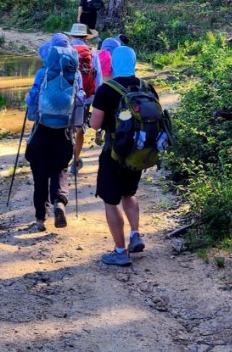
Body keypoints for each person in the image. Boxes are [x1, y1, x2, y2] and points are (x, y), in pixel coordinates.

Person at [90, 45, 155, 266]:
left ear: (114, 64)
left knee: (111, 200)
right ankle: (135, 234)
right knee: (129, 193)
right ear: (134, 62)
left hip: (114, 154)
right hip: (138, 153)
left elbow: (95, 123)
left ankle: (120, 251)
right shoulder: (146, 87)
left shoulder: (107, 90)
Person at [23, 34, 82, 231]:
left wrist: (31, 111)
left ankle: (40, 219)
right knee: (60, 169)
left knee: (39, 175)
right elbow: (79, 102)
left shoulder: (43, 72)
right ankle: (60, 202)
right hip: (63, 133)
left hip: (41, 130)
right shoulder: (76, 73)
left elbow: (32, 101)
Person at [64, 23, 99, 177]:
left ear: (71, 36)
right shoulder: (92, 53)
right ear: (85, 37)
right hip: (85, 96)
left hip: (66, 96)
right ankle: (75, 161)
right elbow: (98, 78)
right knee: (80, 127)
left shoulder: (65, 50)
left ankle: (63, 160)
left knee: (65, 126)